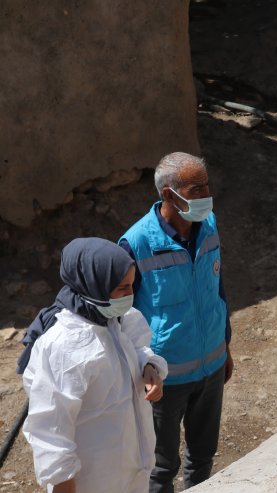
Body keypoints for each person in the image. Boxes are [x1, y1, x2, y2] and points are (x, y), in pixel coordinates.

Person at [119, 152, 233, 493]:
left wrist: (225, 346)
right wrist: (141, 367)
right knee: (160, 467)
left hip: (211, 366)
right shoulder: (136, 244)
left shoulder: (209, 225)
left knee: (203, 457)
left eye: (207, 184)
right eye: (197, 188)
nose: (207, 194)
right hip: (165, 378)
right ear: (169, 195)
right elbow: (123, 317)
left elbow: (218, 290)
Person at [20, 237, 167, 493]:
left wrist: (149, 367)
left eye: (132, 286)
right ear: (93, 284)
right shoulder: (64, 346)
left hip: (131, 472)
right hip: (94, 482)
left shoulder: (116, 318)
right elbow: (50, 431)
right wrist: (64, 483)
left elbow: (137, 346)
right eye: (121, 288)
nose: (130, 295)